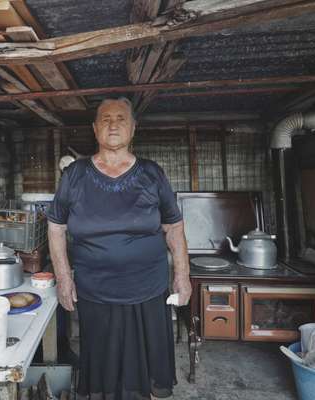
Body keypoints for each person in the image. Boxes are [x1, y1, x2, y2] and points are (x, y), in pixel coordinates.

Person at [47, 97, 192, 400]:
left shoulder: (152, 173)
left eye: (121, 118)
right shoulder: (75, 175)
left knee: (149, 364)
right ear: (95, 128)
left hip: (148, 287)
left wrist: (183, 276)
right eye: (105, 118)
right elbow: (56, 227)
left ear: (133, 127)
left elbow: (174, 227)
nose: (113, 124)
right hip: (95, 289)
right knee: (104, 364)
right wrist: (63, 278)